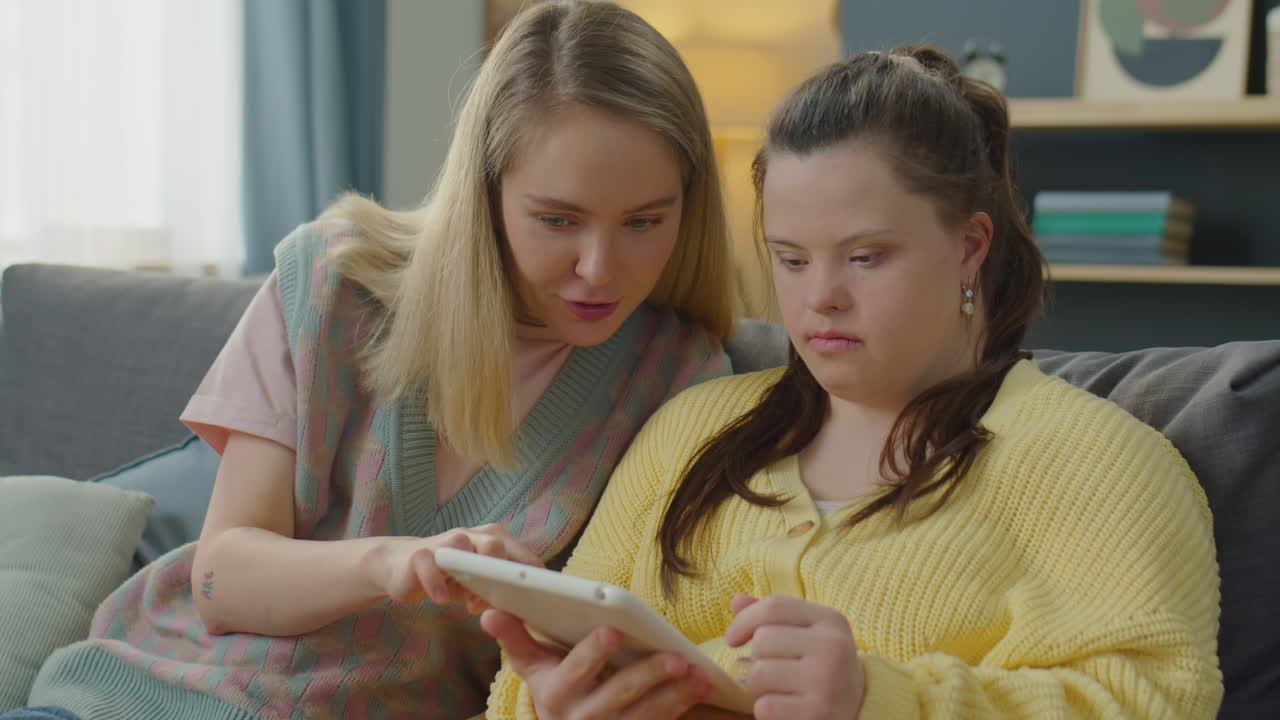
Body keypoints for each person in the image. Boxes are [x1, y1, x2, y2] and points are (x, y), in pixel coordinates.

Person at [12, 2, 736, 719]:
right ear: (485, 195)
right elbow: (219, 580)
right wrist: (390, 561)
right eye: (557, 220)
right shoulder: (331, 281)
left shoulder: (683, 383)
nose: (600, 269)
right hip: (140, 693)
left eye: (644, 221)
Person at [483, 47, 1223, 719]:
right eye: (791, 259)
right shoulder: (690, 428)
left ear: (969, 246)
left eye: (865, 258)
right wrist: (549, 702)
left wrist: (880, 698)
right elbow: (530, 680)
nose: (821, 298)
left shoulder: (1098, 463)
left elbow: (1155, 700)